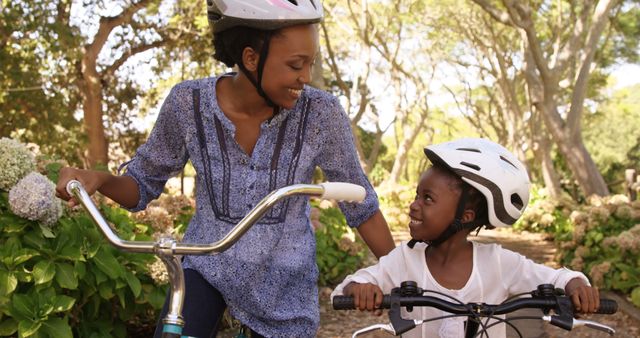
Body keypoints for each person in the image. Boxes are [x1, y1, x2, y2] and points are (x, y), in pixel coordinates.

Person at [55, 0, 396, 337]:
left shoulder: (320, 113)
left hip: (283, 284)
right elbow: (141, 185)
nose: (305, 77)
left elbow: (360, 204)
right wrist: (98, 179)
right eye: (295, 65)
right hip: (207, 265)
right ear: (250, 58)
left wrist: (404, 275)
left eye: (311, 64)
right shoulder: (188, 104)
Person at [331, 138, 600, 338]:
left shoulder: (497, 262)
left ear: (467, 216)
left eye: (428, 199)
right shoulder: (403, 260)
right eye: (417, 195)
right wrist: (360, 289)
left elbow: (554, 279)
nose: (414, 205)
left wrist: (576, 285)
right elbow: (353, 284)